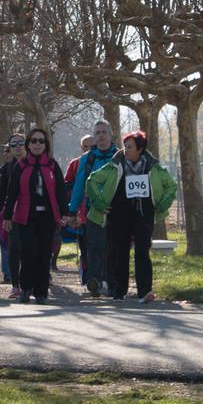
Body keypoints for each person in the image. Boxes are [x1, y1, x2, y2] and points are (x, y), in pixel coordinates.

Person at [86, 129, 177, 303]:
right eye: (125, 146)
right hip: (119, 214)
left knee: (142, 251)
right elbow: (92, 181)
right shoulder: (115, 165)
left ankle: (145, 292)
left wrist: (162, 204)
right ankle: (119, 291)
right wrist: (99, 203)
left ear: (140, 149)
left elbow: (171, 186)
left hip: (144, 214)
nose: (125, 150)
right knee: (120, 252)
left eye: (129, 147)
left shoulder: (153, 166)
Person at [1, 129, 68, 304]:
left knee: (44, 255)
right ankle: (26, 288)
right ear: (28, 144)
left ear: (46, 145)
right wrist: (7, 216)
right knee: (28, 253)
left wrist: (67, 214)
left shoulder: (52, 165)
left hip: (47, 217)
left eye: (41, 141)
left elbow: (61, 191)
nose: (37, 144)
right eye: (34, 141)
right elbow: (12, 192)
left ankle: (41, 292)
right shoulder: (22, 165)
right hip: (25, 217)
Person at [67, 119, 118, 296]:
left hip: (116, 211)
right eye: (97, 133)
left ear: (111, 135)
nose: (101, 136)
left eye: (104, 132)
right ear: (94, 138)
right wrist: (72, 211)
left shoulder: (120, 156)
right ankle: (94, 280)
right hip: (93, 211)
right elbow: (79, 186)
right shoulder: (86, 159)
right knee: (94, 246)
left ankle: (112, 282)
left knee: (114, 247)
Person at [0, 136, 27, 293]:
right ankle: (12, 280)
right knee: (10, 248)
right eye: (13, 144)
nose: (17, 147)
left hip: (31, 215)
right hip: (9, 217)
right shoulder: (3, 172)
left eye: (21, 143)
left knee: (29, 249)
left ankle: (28, 281)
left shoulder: (35, 166)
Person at [58, 135, 93, 277]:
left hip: (101, 210)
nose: (89, 149)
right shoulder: (75, 163)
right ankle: (87, 275)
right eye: (85, 147)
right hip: (81, 212)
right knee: (84, 245)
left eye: (92, 146)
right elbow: (67, 186)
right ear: (81, 148)